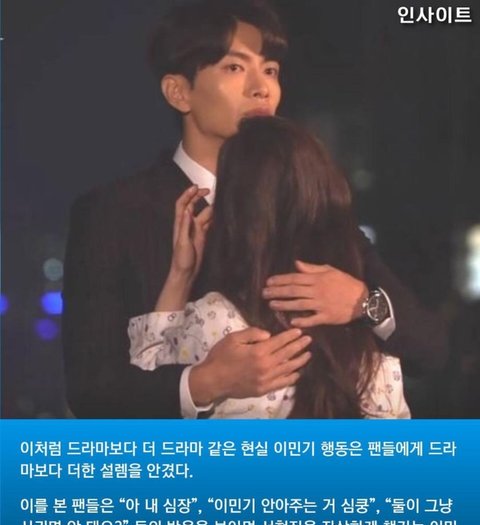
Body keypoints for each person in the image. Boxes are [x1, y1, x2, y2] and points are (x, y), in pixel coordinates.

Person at [62, 0, 446, 419]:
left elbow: (431, 350)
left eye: (271, 70)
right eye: (234, 67)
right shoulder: (115, 213)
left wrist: (363, 304)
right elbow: (92, 393)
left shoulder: (313, 212)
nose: (262, 88)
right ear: (179, 91)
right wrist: (205, 383)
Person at [128, 116, 411, 419]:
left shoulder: (214, 325)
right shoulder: (369, 352)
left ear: (235, 214)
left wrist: (180, 275)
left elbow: (144, 395)